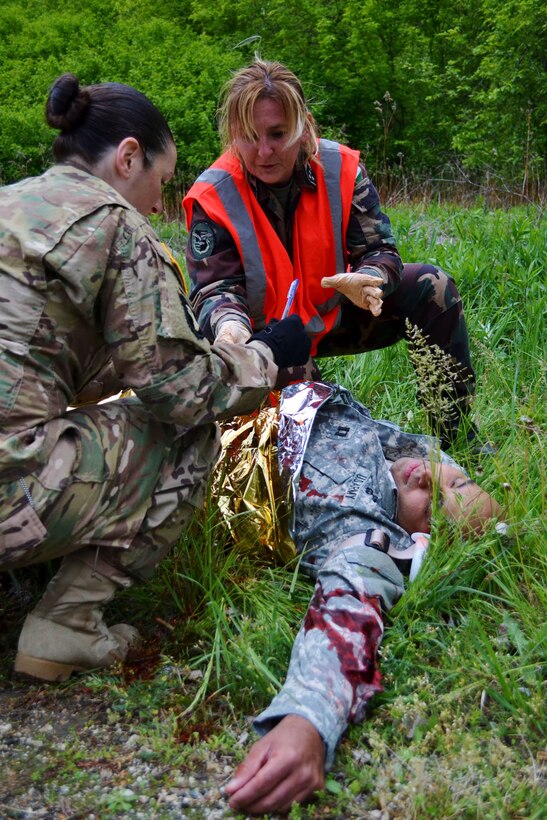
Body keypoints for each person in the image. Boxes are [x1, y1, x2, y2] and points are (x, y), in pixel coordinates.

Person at [0, 74, 311, 682]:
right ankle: (67, 622)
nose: (157, 206)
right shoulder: (114, 224)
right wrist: (269, 352)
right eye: (160, 184)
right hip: (10, 493)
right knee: (187, 431)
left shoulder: (13, 204)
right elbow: (182, 394)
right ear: (128, 157)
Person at [222, 382, 502, 815]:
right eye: (458, 481)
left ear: (418, 540)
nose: (429, 477)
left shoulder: (365, 526)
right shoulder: (413, 458)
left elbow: (351, 604)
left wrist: (308, 720)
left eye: (432, 507)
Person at [183, 58, 480, 451]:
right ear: (232, 134)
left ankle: (456, 437)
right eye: (249, 136)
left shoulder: (340, 167)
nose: (264, 151)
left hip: (337, 311)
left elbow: (380, 250)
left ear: (303, 125)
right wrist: (230, 328)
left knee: (433, 286)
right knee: (318, 428)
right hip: (264, 335)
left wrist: (370, 279)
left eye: (278, 133)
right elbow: (216, 289)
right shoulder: (213, 194)